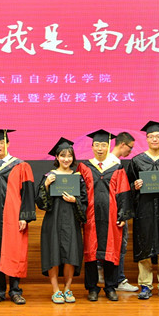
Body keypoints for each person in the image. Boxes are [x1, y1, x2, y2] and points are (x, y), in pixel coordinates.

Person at [0, 129, 36, 305]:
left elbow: (28, 193)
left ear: (8, 144)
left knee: (13, 251)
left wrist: (24, 216)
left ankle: (15, 290)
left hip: (13, 217)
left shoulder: (21, 166)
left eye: (1, 142)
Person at [78, 129, 132, 301]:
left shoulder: (117, 168)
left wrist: (122, 215)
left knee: (111, 251)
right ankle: (92, 288)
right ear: (92, 146)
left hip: (112, 216)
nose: (100, 148)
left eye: (103, 145)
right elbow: (80, 193)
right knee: (91, 252)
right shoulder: (84, 167)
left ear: (108, 147)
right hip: (91, 216)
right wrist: (80, 214)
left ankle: (110, 287)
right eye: (97, 145)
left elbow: (123, 192)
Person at [127, 121, 159, 300]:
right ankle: (145, 285)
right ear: (146, 139)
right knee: (144, 246)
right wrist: (134, 186)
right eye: (151, 137)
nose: (155, 139)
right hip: (144, 210)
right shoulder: (137, 161)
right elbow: (127, 186)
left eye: (158, 136)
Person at [37, 138, 88, 304]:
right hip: (53, 221)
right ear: (57, 157)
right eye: (63, 156)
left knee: (70, 255)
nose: (66, 159)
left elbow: (85, 202)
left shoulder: (78, 178)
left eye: (69, 156)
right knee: (53, 254)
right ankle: (56, 290)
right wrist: (45, 185)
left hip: (71, 221)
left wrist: (75, 201)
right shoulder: (49, 176)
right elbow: (41, 203)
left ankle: (67, 289)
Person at [109, 131, 137, 293]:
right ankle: (117, 279)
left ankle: (117, 279)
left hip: (117, 212)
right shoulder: (112, 165)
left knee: (120, 246)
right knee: (119, 246)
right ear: (122, 144)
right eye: (130, 148)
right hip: (115, 212)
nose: (130, 152)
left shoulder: (115, 163)